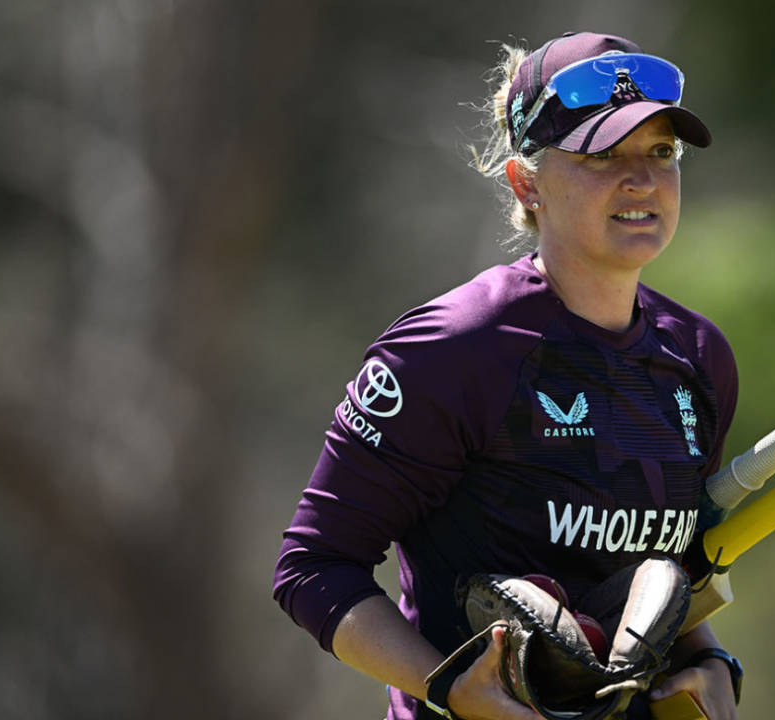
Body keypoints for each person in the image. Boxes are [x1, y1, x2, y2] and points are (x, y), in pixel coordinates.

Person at [273, 31, 742, 720]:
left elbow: (666, 575)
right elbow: (314, 569)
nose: (642, 180)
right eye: (603, 155)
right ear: (527, 183)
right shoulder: (453, 350)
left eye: (661, 152)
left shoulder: (699, 357)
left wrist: (712, 663)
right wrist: (446, 688)